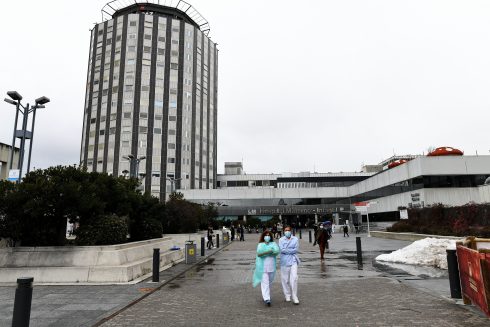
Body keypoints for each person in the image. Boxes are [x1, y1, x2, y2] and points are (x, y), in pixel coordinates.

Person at [252, 230, 280, 306]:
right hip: (263, 267)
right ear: (263, 237)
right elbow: (259, 254)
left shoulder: (273, 244)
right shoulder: (260, 245)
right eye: (266, 235)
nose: (267, 237)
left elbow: (276, 251)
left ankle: (266, 294)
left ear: (270, 237)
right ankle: (267, 299)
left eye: (268, 235)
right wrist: (268, 251)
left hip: (271, 266)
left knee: (269, 282)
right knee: (265, 282)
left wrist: (267, 252)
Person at [279, 226, 300, 304]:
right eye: (285, 230)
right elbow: (282, 250)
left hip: (293, 260)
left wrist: (287, 250)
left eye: (288, 230)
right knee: (285, 279)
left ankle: (295, 296)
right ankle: (287, 295)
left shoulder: (295, 239)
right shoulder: (281, 240)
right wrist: (291, 250)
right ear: (284, 231)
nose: (287, 232)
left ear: (291, 231)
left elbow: (296, 249)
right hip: (284, 261)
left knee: (294, 278)